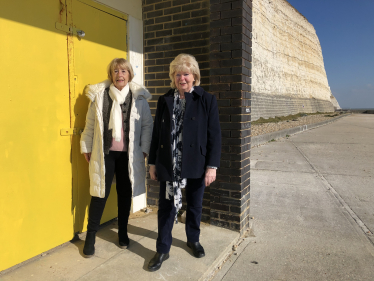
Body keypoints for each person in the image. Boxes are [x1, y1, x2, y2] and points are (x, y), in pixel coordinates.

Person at [147, 54, 221, 271]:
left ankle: (193, 239)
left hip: (197, 162)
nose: (182, 78)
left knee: (195, 205)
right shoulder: (165, 100)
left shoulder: (206, 99)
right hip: (170, 163)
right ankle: (162, 249)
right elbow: (157, 135)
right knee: (166, 208)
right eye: (178, 74)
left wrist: (212, 166)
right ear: (173, 77)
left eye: (186, 74)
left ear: (194, 76)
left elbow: (214, 135)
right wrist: (152, 163)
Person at [80, 58, 153, 257]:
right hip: (105, 154)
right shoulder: (100, 97)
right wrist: (86, 146)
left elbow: (147, 126)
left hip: (128, 156)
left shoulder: (139, 98)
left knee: (124, 194)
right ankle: (91, 236)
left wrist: (144, 149)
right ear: (110, 75)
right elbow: (90, 126)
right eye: (115, 71)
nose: (119, 74)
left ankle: (122, 232)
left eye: (123, 71)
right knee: (99, 194)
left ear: (129, 74)